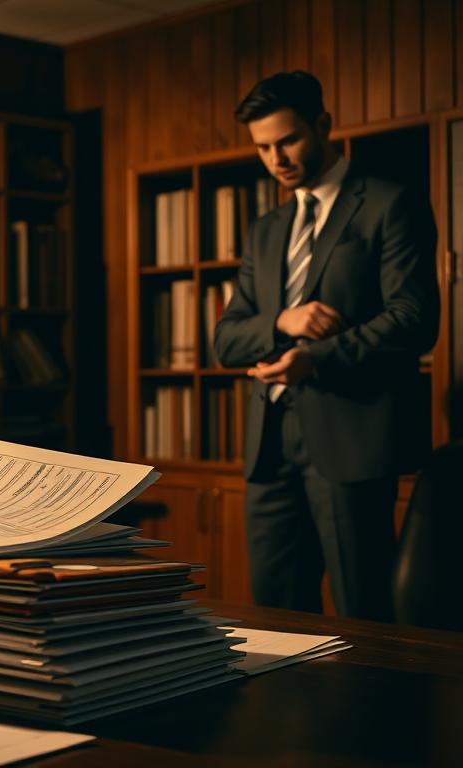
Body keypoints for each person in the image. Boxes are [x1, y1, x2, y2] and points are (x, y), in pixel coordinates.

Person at [214, 71, 439, 620]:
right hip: (269, 448)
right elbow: (226, 338)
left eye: (287, 140)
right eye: (263, 148)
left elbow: (413, 320)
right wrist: (285, 321)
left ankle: (373, 711)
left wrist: (317, 358)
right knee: (273, 616)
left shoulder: (389, 205)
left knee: (363, 615)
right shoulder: (267, 230)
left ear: (323, 125)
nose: (277, 159)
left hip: (351, 440)